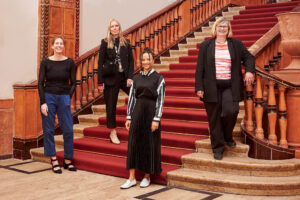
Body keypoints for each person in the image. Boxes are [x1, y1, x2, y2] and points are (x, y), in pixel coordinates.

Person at [195, 17, 255, 160]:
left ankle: (227, 136)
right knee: (214, 118)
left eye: (225, 27)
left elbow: (249, 58)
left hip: (230, 85)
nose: (222, 29)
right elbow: (199, 68)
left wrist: (249, 71)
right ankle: (218, 148)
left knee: (231, 111)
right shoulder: (206, 45)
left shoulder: (236, 44)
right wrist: (199, 87)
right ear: (215, 29)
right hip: (211, 87)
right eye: (219, 26)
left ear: (228, 30)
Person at [120, 48, 165, 189]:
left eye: (148, 59)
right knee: (133, 143)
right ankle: (131, 178)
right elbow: (132, 98)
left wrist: (156, 119)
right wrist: (129, 116)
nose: (146, 62)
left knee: (149, 143)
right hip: (137, 112)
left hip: (151, 112)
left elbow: (161, 100)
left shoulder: (159, 78)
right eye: (143, 59)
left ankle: (147, 176)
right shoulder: (136, 78)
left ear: (153, 60)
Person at [38, 36, 77, 173]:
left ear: (63, 46)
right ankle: (53, 159)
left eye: (61, 43)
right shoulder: (46, 62)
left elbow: (73, 83)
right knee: (48, 129)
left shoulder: (69, 62)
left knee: (68, 129)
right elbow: (40, 83)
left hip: (64, 97)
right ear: (52, 46)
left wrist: (68, 97)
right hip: (48, 97)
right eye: (57, 43)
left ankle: (67, 159)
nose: (59, 45)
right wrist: (43, 102)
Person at [98, 19, 134, 144]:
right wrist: (100, 81)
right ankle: (112, 132)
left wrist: (130, 77)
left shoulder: (126, 42)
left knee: (136, 95)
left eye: (116, 26)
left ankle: (135, 121)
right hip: (110, 79)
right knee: (111, 106)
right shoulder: (105, 42)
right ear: (109, 28)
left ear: (119, 27)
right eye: (112, 26)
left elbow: (131, 62)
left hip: (124, 77)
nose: (114, 28)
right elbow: (100, 62)